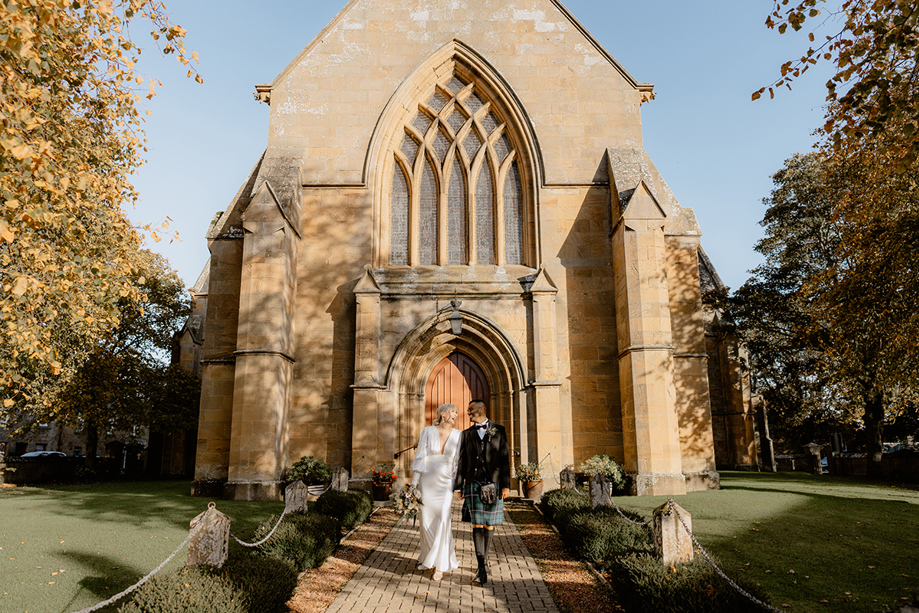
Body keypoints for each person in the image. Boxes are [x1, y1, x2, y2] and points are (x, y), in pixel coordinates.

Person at [454, 399, 511, 586]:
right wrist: (458, 485)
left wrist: (506, 485)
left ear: (481, 409)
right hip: (473, 483)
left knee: (489, 525)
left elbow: (504, 459)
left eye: (470, 409)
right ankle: (480, 567)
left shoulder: (499, 430)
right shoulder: (466, 434)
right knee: (477, 525)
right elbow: (461, 462)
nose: (468, 412)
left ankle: (484, 561)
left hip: (493, 483)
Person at [410, 403, 462, 580]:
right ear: (443, 413)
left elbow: (457, 462)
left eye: (456, 412)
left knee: (442, 520)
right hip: (427, 480)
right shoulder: (428, 431)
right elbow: (420, 456)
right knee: (426, 521)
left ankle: (441, 564)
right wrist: (413, 484)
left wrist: (457, 485)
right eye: (453, 411)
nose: (456, 414)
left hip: (446, 482)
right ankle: (427, 558)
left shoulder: (458, 435)